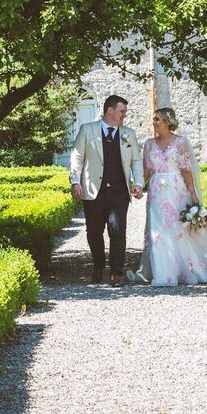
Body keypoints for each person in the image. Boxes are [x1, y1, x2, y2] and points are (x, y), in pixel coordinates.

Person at [134, 107, 207, 286]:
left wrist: (192, 193)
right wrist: (136, 185)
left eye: (157, 119)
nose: (154, 123)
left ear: (168, 122)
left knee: (180, 230)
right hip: (156, 194)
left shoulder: (180, 142)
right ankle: (164, 274)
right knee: (158, 233)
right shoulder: (149, 144)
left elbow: (186, 169)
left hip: (176, 190)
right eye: (154, 119)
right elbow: (145, 171)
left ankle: (189, 270)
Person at [68, 94, 142, 286]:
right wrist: (75, 181)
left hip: (119, 192)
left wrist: (139, 183)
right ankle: (98, 265)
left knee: (117, 230)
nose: (124, 116)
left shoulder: (129, 134)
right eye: (122, 111)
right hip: (93, 190)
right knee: (94, 231)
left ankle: (117, 272)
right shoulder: (87, 130)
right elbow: (77, 157)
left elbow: (136, 160)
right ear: (110, 110)